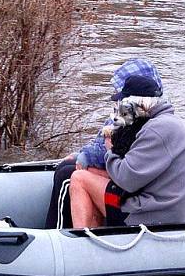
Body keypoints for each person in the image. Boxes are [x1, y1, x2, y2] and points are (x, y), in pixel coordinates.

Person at [43, 58, 163, 228]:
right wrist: (84, 154)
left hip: (128, 200)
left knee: (69, 176)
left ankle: (57, 236)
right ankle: (78, 232)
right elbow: (104, 141)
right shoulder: (141, 112)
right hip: (126, 185)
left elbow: (109, 150)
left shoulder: (141, 119)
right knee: (68, 169)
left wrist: (88, 155)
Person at [69, 73, 185, 228]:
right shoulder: (167, 123)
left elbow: (126, 180)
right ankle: (97, 237)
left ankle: (80, 242)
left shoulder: (157, 130)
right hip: (162, 206)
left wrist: (110, 151)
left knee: (79, 179)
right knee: (89, 172)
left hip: (150, 215)